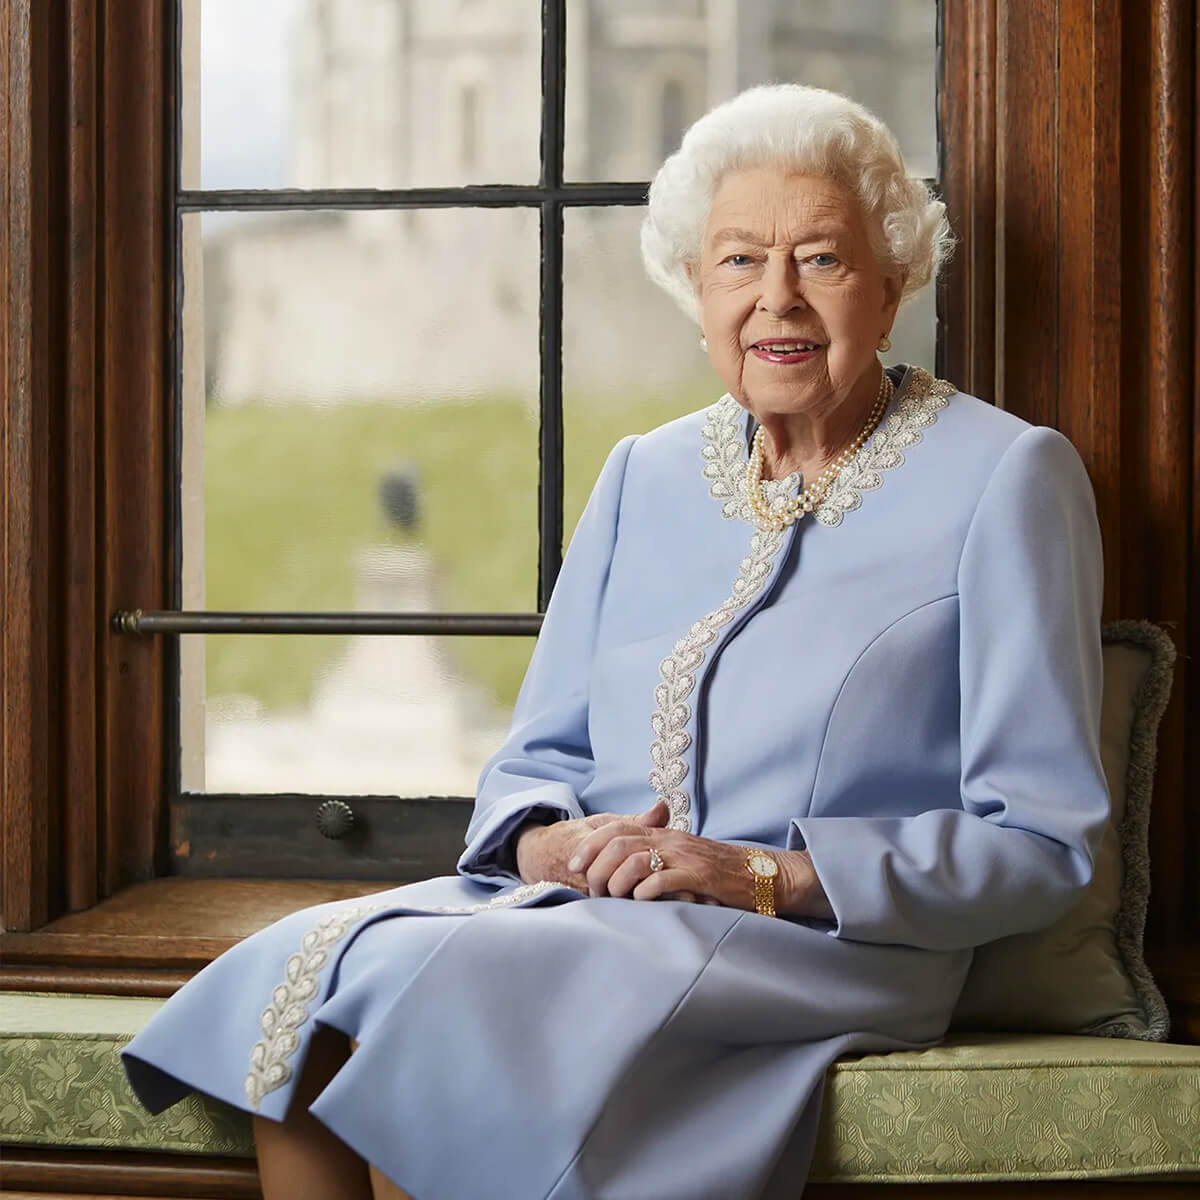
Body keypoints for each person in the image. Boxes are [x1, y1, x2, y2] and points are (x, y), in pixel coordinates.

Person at [122, 84, 1109, 1200]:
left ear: (892, 285)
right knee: (308, 977)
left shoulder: (1006, 476)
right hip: (585, 920)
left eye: (821, 260)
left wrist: (760, 874)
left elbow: (1042, 841)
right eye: (739, 262)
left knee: (443, 1000)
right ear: (696, 291)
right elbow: (532, 761)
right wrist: (544, 846)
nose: (775, 299)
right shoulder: (643, 473)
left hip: (823, 949)